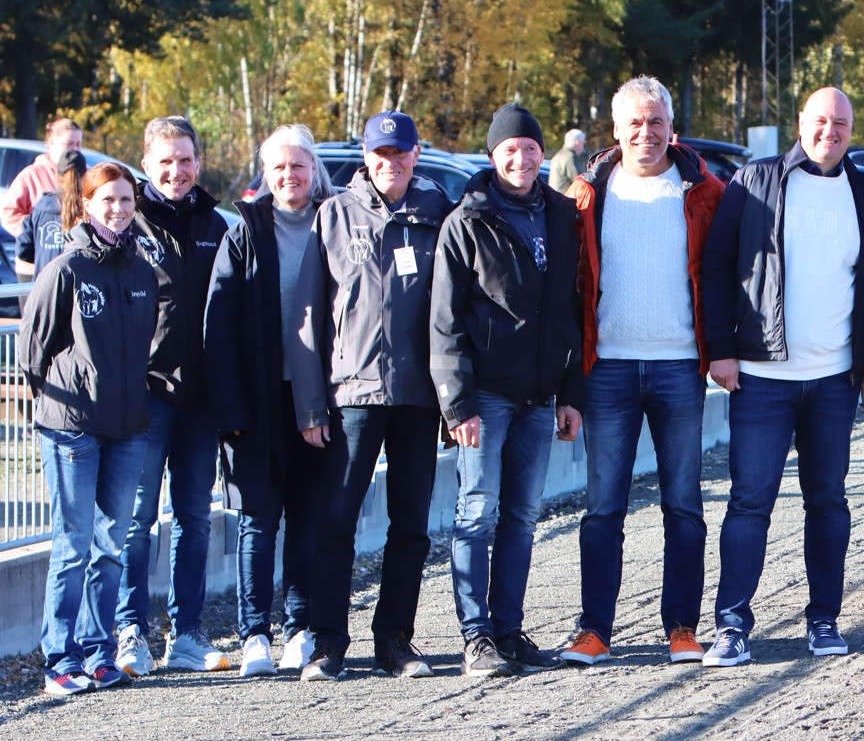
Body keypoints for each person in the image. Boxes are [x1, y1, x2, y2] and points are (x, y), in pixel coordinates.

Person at [700, 87, 864, 667]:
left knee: (828, 502)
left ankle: (824, 618)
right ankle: (732, 625)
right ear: (800, 123)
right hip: (761, 377)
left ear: (852, 130)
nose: (831, 131)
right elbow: (718, 268)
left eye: (843, 123)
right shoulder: (755, 182)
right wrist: (721, 350)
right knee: (750, 503)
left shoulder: (860, 189)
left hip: (835, 380)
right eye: (821, 120)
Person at [562, 76, 725, 666]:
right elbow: (571, 286)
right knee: (603, 506)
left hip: (679, 367)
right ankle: (594, 629)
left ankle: (682, 625)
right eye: (635, 122)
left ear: (671, 127)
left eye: (656, 122)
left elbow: (726, 276)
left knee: (683, 504)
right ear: (615, 129)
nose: (646, 133)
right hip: (608, 369)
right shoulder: (588, 196)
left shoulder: (705, 191)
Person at [431, 103, 584, 677]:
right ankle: (476, 637)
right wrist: (459, 401)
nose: (520, 158)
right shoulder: (467, 221)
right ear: (493, 156)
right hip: (486, 396)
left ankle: (509, 629)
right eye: (508, 150)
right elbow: (443, 322)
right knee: (476, 512)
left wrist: (572, 392)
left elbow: (574, 311)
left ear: (543, 154)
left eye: (529, 148)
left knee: (522, 516)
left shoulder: (563, 216)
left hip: (540, 396)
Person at [301, 111, 453, 681]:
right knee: (336, 520)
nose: (391, 163)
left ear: (416, 155)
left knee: (410, 524)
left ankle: (395, 640)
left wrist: (451, 397)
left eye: (401, 153)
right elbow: (311, 318)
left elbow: (454, 308)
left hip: (418, 394)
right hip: (352, 393)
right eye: (381, 154)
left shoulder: (438, 213)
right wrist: (313, 403)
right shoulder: (334, 216)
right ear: (367, 158)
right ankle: (327, 643)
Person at [20, 162, 158, 695]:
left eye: (126, 200)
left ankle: (100, 652)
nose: (119, 209)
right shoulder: (67, 268)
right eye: (108, 201)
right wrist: (66, 402)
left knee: (110, 544)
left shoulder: (143, 270)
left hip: (128, 429)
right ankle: (60, 657)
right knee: (73, 544)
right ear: (87, 203)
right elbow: (35, 352)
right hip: (72, 429)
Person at [202, 125, 333, 677]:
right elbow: (219, 327)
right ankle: (254, 631)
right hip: (257, 399)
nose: (288, 176)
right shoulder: (246, 231)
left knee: (306, 515)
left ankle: (299, 627)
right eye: (278, 167)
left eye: (298, 166)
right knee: (258, 518)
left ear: (313, 170)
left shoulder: (335, 223)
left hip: (316, 398)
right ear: (266, 173)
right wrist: (230, 412)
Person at [115, 116, 231, 676]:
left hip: (200, 399)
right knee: (138, 521)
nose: (176, 171)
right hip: (145, 398)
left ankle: (186, 634)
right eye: (165, 160)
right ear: (146, 164)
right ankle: (129, 630)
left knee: (194, 518)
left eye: (185, 160)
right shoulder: (126, 224)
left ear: (198, 163)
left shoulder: (217, 223)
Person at [2, 116, 82, 237]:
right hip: (45, 250)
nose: (75, 150)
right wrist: (36, 233)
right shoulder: (31, 176)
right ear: (51, 143)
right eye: (69, 144)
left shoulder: (88, 175)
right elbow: (9, 214)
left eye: (78, 144)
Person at [18, 149, 86, 276]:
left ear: (58, 175)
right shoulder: (90, 208)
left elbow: (23, 250)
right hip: (78, 288)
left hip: (45, 287)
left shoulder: (41, 207)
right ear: (85, 175)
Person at [549, 128, 587, 193]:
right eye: (582, 143)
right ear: (577, 143)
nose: (583, 147)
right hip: (562, 199)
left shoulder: (559, 155)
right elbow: (580, 181)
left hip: (555, 198)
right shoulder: (570, 157)